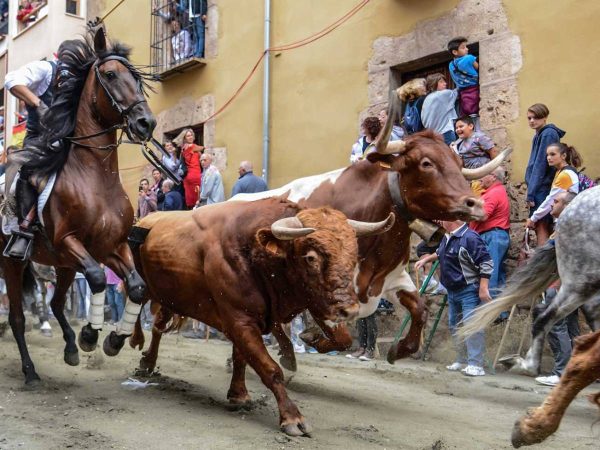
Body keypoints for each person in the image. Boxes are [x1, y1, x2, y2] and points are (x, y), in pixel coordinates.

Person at [416, 220, 493, 376]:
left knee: (471, 325)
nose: (439, 220)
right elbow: (440, 252)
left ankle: (476, 364)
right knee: (455, 325)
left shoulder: (470, 237)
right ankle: (462, 359)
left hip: (469, 289)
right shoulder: (448, 236)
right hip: (453, 291)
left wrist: (483, 288)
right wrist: (426, 259)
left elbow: (486, 262)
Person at [3, 51, 61, 259]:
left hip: (67, 141)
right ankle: (24, 230)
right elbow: (11, 79)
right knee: (27, 172)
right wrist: (38, 103)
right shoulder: (45, 69)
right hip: (39, 140)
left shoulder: (80, 78)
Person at [534, 191, 579, 387]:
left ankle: (562, 373)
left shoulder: (567, 228)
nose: (552, 204)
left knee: (555, 325)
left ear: (567, 206)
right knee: (571, 328)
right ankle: (580, 370)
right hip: (571, 286)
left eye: (557, 201)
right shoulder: (572, 228)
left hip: (561, 284)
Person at [524, 103, 565, 246]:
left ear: (545, 117)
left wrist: (531, 193)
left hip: (542, 187)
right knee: (540, 225)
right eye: (529, 118)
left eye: (536, 117)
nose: (532, 121)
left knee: (541, 225)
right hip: (538, 187)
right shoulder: (539, 134)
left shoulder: (548, 133)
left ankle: (543, 265)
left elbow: (540, 165)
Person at [469, 167, 510, 302]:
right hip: (496, 235)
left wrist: (465, 212)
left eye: (483, 175)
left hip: (492, 236)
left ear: (493, 176)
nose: (480, 178)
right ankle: (499, 313)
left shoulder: (493, 193)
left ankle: (486, 311)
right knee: (497, 275)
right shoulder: (495, 191)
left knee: (489, 274)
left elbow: (483, 215)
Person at [526, 143, 581, 233]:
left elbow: (551, 200)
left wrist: (533, 218)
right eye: (547, 155)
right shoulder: (561, 171)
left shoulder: (565, 175)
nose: (548, 157)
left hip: (566, 220)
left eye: (552, 154)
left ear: (563, 156)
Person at [421, 73, 458, 145]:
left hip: (433, 136)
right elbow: (457, 92)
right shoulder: (443, 94)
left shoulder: (427, 98)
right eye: (441, 82)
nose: (445, 84)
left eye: (445, 81)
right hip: (446, 133)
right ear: (433, 84)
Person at [447, 36, 479, 116]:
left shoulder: (451, 65)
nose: (467, 49)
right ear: (455, 52)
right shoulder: (469, 58)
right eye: (463, 47)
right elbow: (479, 68)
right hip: (474, 89)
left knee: (467, 113)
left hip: (463, 93)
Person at [179, 128, 203, 209]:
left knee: (190, 201)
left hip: (187, 177)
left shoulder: (183, 149)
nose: (190, 137)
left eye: (191, 135)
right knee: (198, 200)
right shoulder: (193, 146)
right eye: (188, 136)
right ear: (185, 138)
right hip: (195, 175)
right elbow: (202, 148)